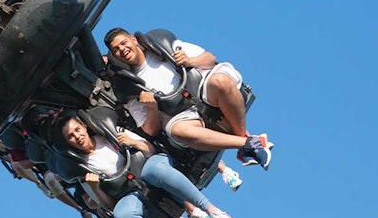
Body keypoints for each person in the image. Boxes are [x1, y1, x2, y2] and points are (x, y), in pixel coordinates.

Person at [56, 110, 232, 218]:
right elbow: (109, 205)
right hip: (133, 192)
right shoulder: (83, 168)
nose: (77, 136)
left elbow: (150, 150)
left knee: (154, 170)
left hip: (151, 166)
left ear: (84, 127)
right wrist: (95, 188)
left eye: (77, 130)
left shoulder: (111, 133)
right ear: (68, 143)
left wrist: (133, 142)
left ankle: (212, 210)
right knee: (121, 214)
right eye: (70, 136)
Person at [104, 27, 272, 169]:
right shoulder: (129, 86)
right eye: (116, 50)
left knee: (221, 81)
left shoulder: (160, 44)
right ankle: (249, 143)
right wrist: (151, 108)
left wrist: (191, 60)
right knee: (177, 131)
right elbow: (151, 130)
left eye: (123, 43)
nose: (122, 50)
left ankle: (246, 140)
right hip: (183, 114)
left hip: (202, 90)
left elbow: (210, 58)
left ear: (133, 40)